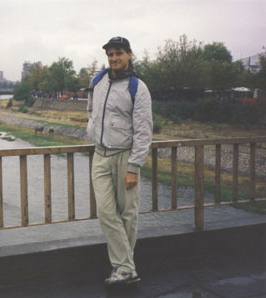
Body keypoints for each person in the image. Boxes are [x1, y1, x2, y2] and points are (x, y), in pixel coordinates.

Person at [86, 36, 153, 286]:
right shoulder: (98, 81)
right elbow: (91, 111)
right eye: (110, 54)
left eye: (119, 53)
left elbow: (144, 131)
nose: (114, 58)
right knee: (106, 212)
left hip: (125, 156)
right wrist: (90, 129)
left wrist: (134, 167)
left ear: (129, 55)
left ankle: (124, 269)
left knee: (128, 214)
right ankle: (127, 268)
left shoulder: (138, 87)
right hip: (100, 155)